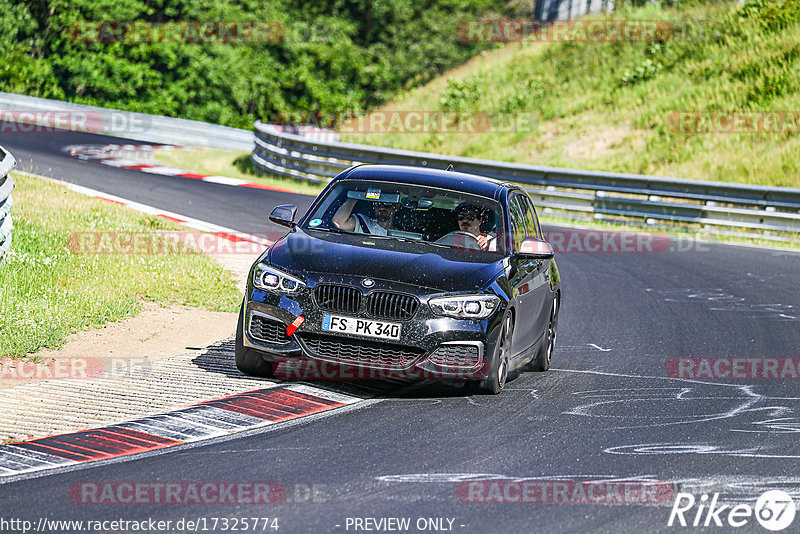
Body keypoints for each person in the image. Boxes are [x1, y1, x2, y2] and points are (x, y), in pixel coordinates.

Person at [332, 197, 400, 235]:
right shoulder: (362, 222)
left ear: (396, 207)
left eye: (387, 203)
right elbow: (338, 222)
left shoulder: (400, 234)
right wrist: (354, 198)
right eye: (378, 203)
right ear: (374, 206)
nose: (381, 208)